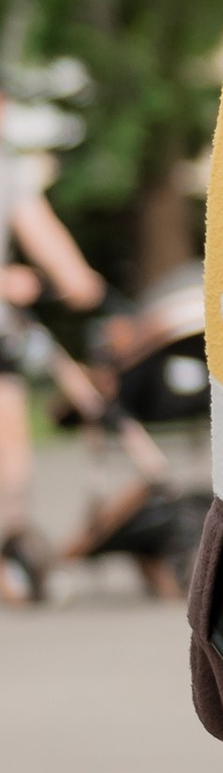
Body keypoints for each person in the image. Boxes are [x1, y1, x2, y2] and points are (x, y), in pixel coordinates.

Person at [1, 112, 106, 597]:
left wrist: (76, 278)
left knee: (11, 438)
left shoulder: (7, 169)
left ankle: (12, 546)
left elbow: (39, 227)